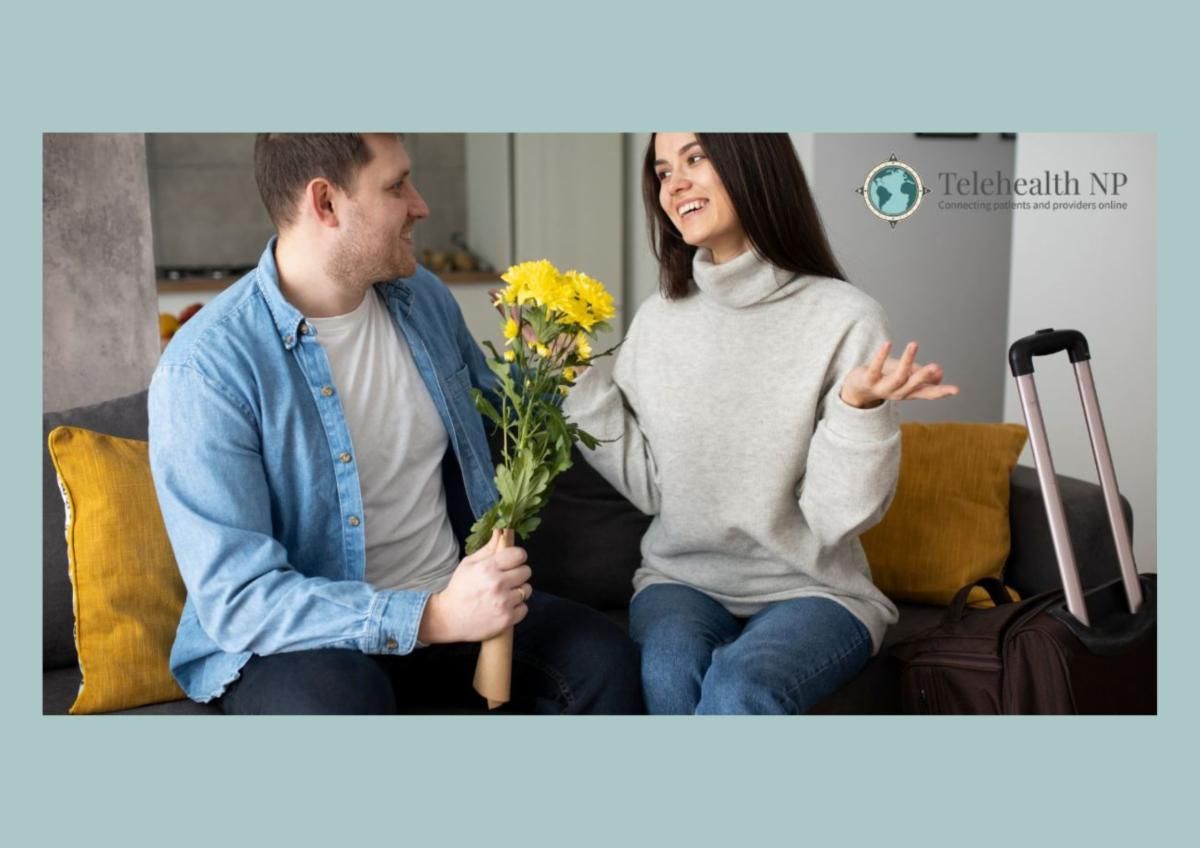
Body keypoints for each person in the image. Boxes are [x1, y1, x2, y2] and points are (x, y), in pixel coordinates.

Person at [148, 133, 642, 714]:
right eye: (396, 185)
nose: (421, 205)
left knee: (605, 661)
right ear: (326, 203)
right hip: (301, 645)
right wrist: (431, 618)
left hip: (451, 602)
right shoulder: (207, 369)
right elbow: (240, 600)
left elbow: (504, 425)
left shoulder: (421, 298)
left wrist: (549, 368)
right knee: (336, 702)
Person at [561, 133, 958, 714]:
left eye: (696, 158)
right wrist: (575, 380)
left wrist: (857, 409)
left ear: (752, 165)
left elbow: (834, 519)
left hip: (814, 587)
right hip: (682, 581)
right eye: (663, 170)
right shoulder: (659, 322)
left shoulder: (845, 318)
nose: (675, 184)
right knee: (667, 673)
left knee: (741, 686)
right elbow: (649, 486)